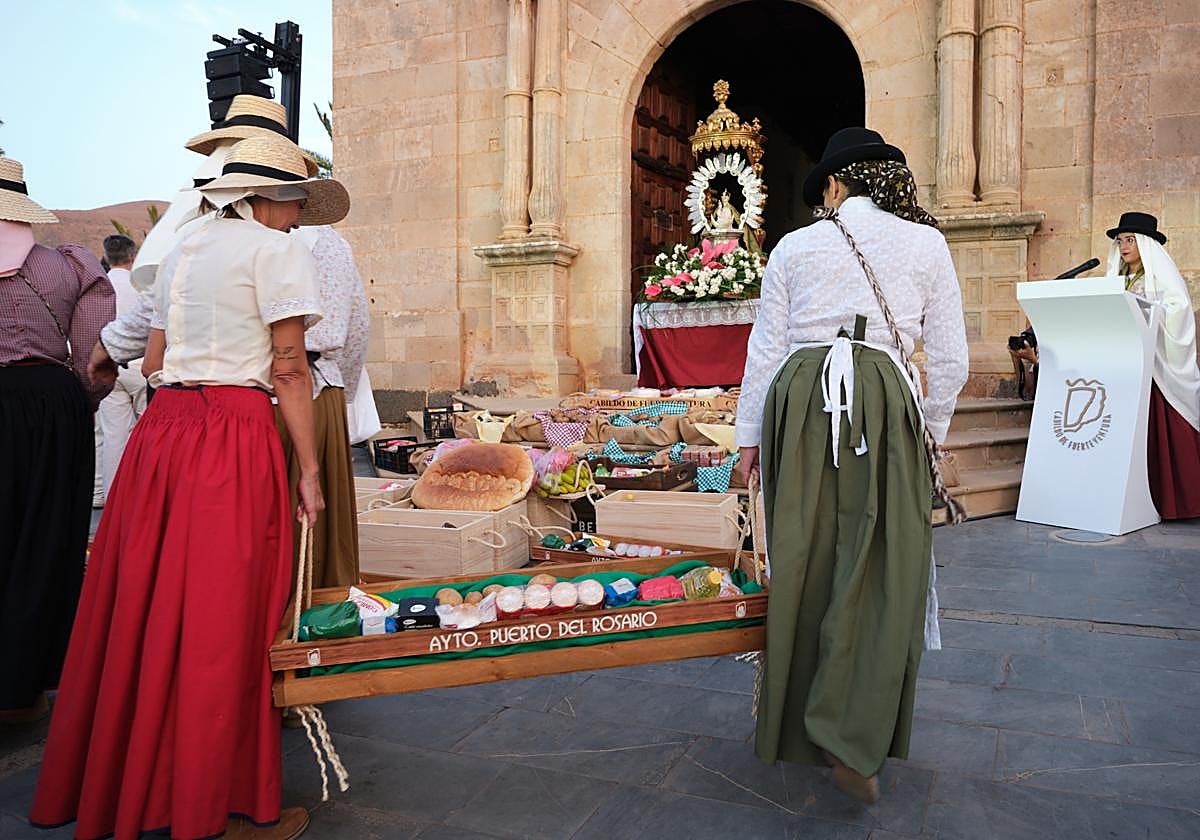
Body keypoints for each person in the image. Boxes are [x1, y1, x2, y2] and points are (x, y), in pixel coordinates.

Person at [30, 135, 350, 839]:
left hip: (164, 435)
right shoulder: (276, 251)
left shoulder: (182, 249)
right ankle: (210, 807)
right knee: (225, 619)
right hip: (232, 435)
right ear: (266, 197)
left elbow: (153, 355)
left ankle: (131, 785)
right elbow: (289, 366)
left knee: (147, 609)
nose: (299, 216)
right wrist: (309, 469)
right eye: (295, 202)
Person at [736, 127, 968, 804]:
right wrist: (930, 431)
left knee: (803, 558)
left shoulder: (794, 246)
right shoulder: (926, 244)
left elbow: (766, 349)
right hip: (884, 401)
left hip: (799, 399)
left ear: (836, 184)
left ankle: (799, 729)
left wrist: (748, 440)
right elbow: (950, 358)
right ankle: (853, 733)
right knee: (883, 565)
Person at [0, 158, 115, 722]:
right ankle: (24, 687)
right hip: (50, 406)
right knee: (46, 540)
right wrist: (78, 404)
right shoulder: (67, 265)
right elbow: (94, 355)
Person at [92, 95, 316, 382]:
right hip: (270, 385)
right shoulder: (293, 236)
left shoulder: (198, 226)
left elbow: (163, 309)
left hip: (194, 386)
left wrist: (110, 344)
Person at [281, 224, 370, 588]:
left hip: (267, 386)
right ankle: (319, 598)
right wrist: (342, 391)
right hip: (319, 383)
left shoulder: (241, 241)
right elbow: (358, 326)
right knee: (317, 520)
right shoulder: (330, 242)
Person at [1107, 212, 1200, 519]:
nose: (1123, 246)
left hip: (1155, 368)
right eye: (1120, 241)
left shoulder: (1158, 276)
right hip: (1125, 365)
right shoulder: (1117, 279)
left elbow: (1178, 309)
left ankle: (1170, 500)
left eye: (1130, 240)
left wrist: (1150, 312)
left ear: (1145, 245)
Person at [94, 233, 147, 504]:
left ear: (106, 256)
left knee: (113, 434)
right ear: (133, 257)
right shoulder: (141, 286)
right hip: (140, 365)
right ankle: (143, 495)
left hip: (108, 364)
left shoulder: (98, 287)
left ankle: (111, 495)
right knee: (147, 434)